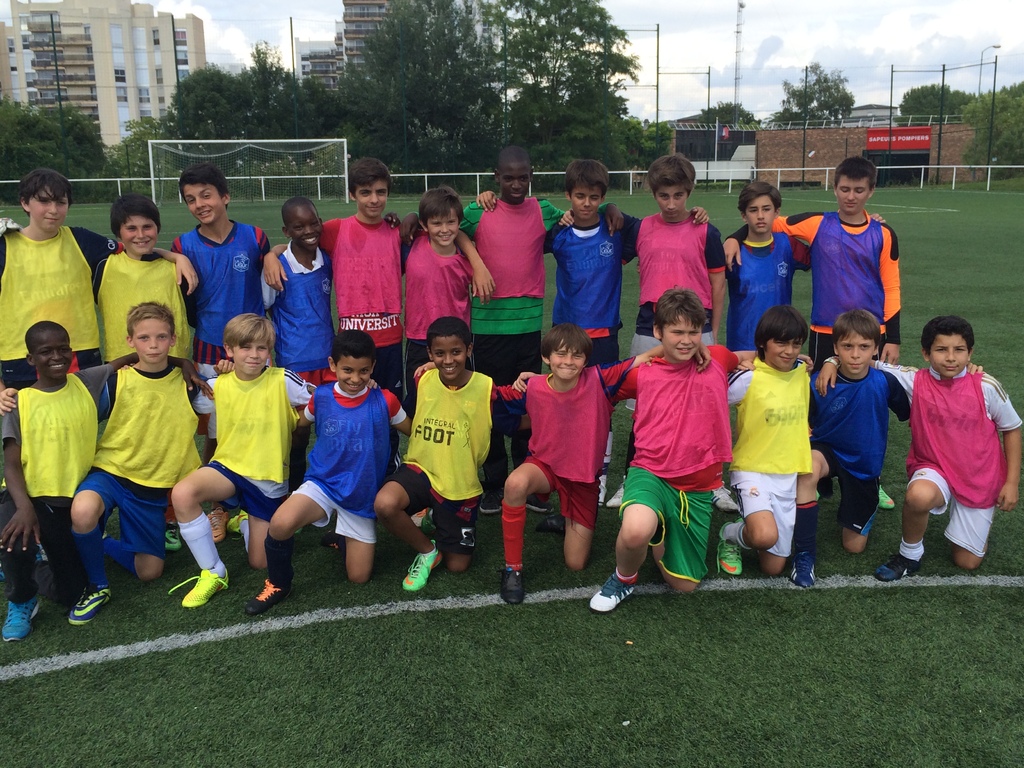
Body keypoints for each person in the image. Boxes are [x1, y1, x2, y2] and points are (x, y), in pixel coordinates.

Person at [265, 160, 490, 470]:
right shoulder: (336, 230)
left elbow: (445, 229)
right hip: (352, 342)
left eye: (381, 192)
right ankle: (344, 469)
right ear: (352, 194)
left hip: (390, 340)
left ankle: (389, 468)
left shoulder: (398, 231)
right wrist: (271, 254)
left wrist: (413, 220)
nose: (374, 200)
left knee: (389, 409)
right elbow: (300, 240)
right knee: (348, 411)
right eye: (366, 192)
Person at [725, 156, 902, 512]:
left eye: (859, 190)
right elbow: (767, 222)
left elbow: (892, 285)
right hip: (825, 330)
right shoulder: (817, 223)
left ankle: (871, 478)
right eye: (845, 189)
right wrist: (733, 237)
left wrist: (892, 337)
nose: (851, 196)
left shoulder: (884, 234)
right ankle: (817, 473)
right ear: (834, 188)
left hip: (871, 334)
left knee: (866, 406)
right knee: (816, 403)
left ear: (871, 191)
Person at [461, 146, 621, 516]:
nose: (516, 184)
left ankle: (528, 476)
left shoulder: (544, 210)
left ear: (531, 176)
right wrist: (477, 263)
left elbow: (584, 213)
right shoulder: (478, 211)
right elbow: (449, 227)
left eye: (523, 177)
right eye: (508, 178)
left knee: (529, 403)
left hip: (530, 326)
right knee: (489, 403)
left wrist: (612, 207)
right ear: (496, 178)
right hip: (487, 326)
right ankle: (493, 482)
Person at [589, 289, 738, 614]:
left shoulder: (717, 358)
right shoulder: (643, 372)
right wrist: (652, 353)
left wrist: (824, 361)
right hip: (651, 473)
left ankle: (659, 528)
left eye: (693, 332)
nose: (686, 341)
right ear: (658, 331)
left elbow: (745, 358)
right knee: (635, 530)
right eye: (676, 332)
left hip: (697, 486)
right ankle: (624, 578)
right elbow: (596, 381)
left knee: (684, 585)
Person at [245, 330, 410, 615]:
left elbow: (415, 431)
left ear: (373, 367)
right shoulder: (320, 397)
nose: (355, 378)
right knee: (280, 524)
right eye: (348, 370)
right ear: (332, 365)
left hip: (360, 495)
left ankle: (342, 536)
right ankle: (279, 583)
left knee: (358, 577)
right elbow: (299, 424)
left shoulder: (385, 400)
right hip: (322, 484)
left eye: (363, 371)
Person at [494, 323, 659, 604]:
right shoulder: (532, 386)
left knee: (575, 563)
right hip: (545, 467)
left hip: (583, 479)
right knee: (515, 483)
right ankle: (512, 569)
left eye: (576, 356)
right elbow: (488, 393)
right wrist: (437, 372)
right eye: (560, 354)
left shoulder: (600, 379)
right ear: (546, 357)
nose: (568, 361)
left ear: (586, 360)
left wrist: (697, 349)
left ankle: (566, 519)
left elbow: (646, 358)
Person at [610, 153, 734, 514]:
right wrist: (609, 206)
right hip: (651, 325)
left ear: (689, 192)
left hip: (695, 329)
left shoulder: (706, 231)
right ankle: (633, 477)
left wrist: (712, 332)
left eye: (679, 195)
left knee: (704, 407)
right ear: (653, 194)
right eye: (664, 196)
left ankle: (714, 482)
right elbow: (606, 212)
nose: (671, 204)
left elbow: (717, 283)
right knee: (644, 407)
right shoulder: (640, 229)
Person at [67, 303, 203, 624]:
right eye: (144, 338)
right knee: (83, 510)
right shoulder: (117, 382)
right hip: (111, 473)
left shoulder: (190, 383)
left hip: (151, 488)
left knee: (149, 572)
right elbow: (74, 410)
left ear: (173, 339)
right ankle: (97, 586)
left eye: (161, 337)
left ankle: (102, 543)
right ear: (130, 341)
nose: (153, 345)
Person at [0, 169, 193, 391]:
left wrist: (176, 257)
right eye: (44, 201)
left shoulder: (82, 240)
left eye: (60, 202)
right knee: (29, 414)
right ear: (25, 203)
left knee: (84, 413)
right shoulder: (4, 247)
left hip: (80, 354)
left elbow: (133, 247)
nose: (53, 210)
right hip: (23, 358)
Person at [169, 314, 313, 609]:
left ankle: (245, 520)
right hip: (228, 468)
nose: (254, 355)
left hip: (267, 478)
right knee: (183, 493)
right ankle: (213, 572)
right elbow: (186, 394)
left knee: (260, 562)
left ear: (270, 351)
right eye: (245, 347)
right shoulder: (218, 384)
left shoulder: (283, 380)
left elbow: (324, 398)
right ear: (229, 350)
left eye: (262, 348)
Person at [863, 316, 1020, 581]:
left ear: (970, 353)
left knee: (966, 562)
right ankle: (909, 555)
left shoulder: (985, 385)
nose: (950, 357)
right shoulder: (915, 380)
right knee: (918, 496)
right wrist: (831, 361)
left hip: (978, 476)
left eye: (959, 350)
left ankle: (974, 529)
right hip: (934, 467)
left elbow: (1012, 429)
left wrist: (1012, 483)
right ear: (926, 353)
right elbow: (863, 361)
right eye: (941, 349)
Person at [0, 323, 126, 640]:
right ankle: (22, 598)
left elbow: (128, 360)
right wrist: (24, 508)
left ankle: (34, 564)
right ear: (31, 359)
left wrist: (183, 363)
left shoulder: (86, 381)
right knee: (15, 536)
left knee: (71, 592)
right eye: (46, 351)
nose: (56, 356)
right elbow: (11, 466)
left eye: (63, 349)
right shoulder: (18, 402)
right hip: (26, 497)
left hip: (67, 503)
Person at [172, 162, 271, 537]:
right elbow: (141, 252)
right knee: (216, 432)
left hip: (254, 351)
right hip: (210, 352)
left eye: (206, 195)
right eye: (190, 199)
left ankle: (254, 502)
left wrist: (274, 253)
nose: (199, 204)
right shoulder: (183, 245)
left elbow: (277, 256)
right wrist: (173, 256)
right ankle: (218, 506)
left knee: (258, 427)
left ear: (225, 196)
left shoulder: (255, 237)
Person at [98, 192, 195, 553]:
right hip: (126, 373)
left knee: (173, 442)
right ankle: (112, 507)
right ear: (118, 233)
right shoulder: (103, 266)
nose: (140, 234)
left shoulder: (173, 269)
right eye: (131, 228)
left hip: (172, 370)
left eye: (148, 227)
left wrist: (176, 257)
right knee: (131, 440)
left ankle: (168, 517)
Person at [543, 159, 641, 509]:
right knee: (565, 407)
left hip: (603, 335)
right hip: (566, 336)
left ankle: (598, 479)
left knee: (600, 409)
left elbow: (646, 228)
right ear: (568, 195)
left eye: (595, 197)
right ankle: (566, 474)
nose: (587, 203)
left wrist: (613, 208)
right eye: (580, 196)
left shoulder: (615, 229)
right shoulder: (558, 234)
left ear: (602, 197)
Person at [789, 310, 911, 587]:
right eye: (847, 346)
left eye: (864, 347)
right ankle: (804, 556)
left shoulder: (885, 382)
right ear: (835, 348)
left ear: (875, 349)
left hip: (863, 465)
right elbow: (803, 420)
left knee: (853, 547)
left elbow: (910, 413)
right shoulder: (818, 382)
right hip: (827, 450)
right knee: (807, 469)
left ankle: (862, 502)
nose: (855, 355)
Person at [372, 317, 494, 593]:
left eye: (456, 352)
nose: (448, 360)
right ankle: (428, 551)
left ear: (469, 350)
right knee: (385, 504)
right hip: (421, 469)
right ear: (429, 354)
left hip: (458, 483)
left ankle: (432, 517)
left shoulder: (487, 388)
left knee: (458, 566)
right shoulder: (424, 379)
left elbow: (518, 416)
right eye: (440, 353)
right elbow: (408, 416)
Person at [716, 305, 811, 579]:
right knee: (763, 536)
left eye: (796, 344)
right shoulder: (748, 377)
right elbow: (710, 397)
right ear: (762, 343)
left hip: (788, 474)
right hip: (752, 470)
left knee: (773, 568)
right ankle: (730, 535)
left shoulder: (802, 371)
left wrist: (831, 362)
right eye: (781, 343)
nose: (789, 351)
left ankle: (750, 522)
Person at [262, 196, 334, 491]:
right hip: (294, 362)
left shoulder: (327, 259)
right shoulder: (276, 268)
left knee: (331, 427)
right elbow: (264, 307)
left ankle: (328, 487)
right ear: (287, 231)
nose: (308, 230)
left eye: (313, 223)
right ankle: (294, 490)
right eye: (298, 226)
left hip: (329, 360)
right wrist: (271, 254)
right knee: (298, 433)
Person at [402, 186, 489, 415]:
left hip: (457, 343)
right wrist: (409, 216)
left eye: (451, 222)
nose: (444, 230)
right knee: (419, 405)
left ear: (459, 223)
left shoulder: (467, 258)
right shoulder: (412, 246)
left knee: (460, 406)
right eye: (436, 223)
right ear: (424, 225)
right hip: (419, 340)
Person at [724, 181, 808, 353]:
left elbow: (821, 258)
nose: (760, 215)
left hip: (781, 342)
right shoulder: (732, 252)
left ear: (776, 212)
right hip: (742, 344)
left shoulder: (787, 245)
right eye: (753, 210)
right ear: (744, 216)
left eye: (766, 209)